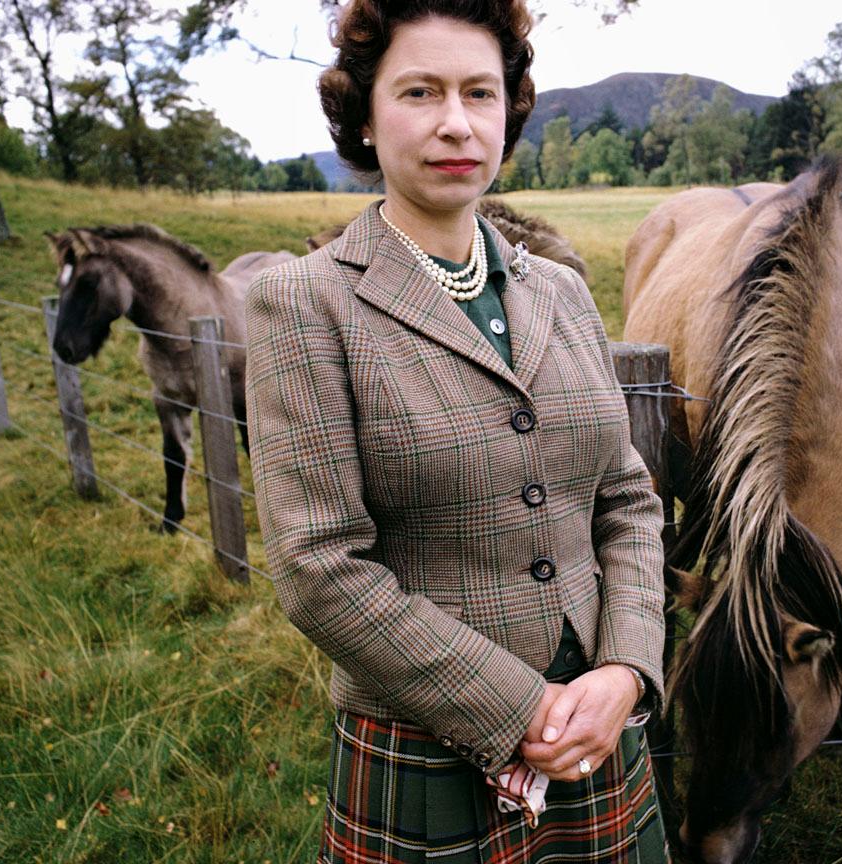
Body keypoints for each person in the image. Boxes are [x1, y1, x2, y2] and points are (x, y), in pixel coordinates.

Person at [243, 1, 669, 861]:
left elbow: (627, 500)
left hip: (598, 732)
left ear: (508, 110)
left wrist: (627, 668)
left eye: (479, 92)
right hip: (427, 745)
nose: (455, 123)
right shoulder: (304, 302)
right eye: (419, 92)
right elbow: (317, 566)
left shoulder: (561, 292)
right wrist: (518, 706)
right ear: (364, 117)